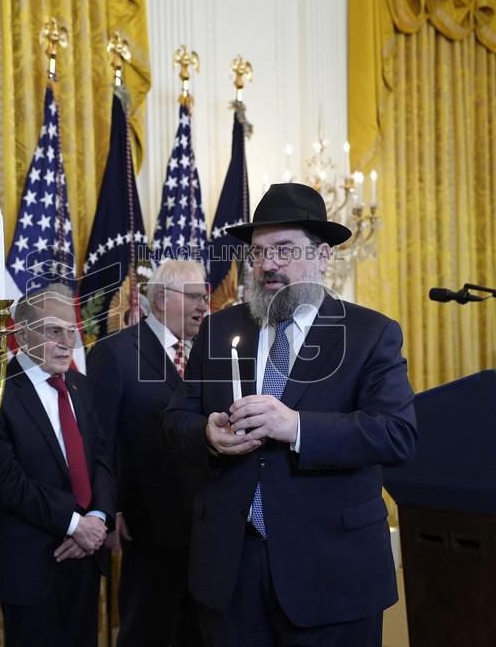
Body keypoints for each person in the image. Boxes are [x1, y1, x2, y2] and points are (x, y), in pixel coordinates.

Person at [162, 183, 418, 646]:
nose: (268, 265)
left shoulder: (370, 333)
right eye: (258, 253)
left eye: (283, 250)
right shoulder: (221, 329)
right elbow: (175, 418)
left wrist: (296, 427)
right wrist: (206, 434)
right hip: (230, 569)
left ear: (323, 256)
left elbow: (396, 434)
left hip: (332, 571)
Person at [0, 284, 116, 647]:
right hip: (28, 566)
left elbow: (100, 457)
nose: (68, 341)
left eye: (72, 330)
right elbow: (7, 484)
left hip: (85, 557)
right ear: (21, 334)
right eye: (54, 331)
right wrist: (74, 525)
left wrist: (97, 520)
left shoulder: (80, 386)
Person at [88, 259, 208, 646]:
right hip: (147, 526)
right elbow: (99, 440)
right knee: (149, 632)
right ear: (160, 299)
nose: (203, 306)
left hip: (207, 526)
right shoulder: (116, 354)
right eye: (193, 296)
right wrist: (112, 510)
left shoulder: (210, 354)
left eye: (204, 297)